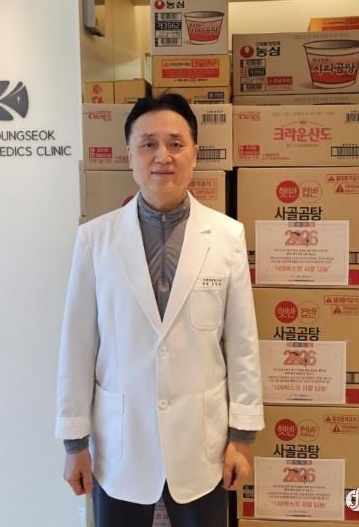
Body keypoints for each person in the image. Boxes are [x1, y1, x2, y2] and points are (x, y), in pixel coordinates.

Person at [55, 94, 264, 527]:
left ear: (195, 154)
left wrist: (242, 436)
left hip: (202, 443)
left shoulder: (227, 237)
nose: (162, 156)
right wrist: (74, 443)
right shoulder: (95, 240)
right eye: (148, 144)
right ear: (130, 155)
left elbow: (242, 344)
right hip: (121, 442)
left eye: (175, 143)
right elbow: (77, 346)